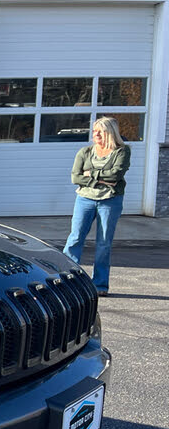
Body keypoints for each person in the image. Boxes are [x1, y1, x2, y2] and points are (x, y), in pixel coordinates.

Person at [63, 116, 131, 296]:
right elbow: (75, 177)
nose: (96, 135)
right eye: (94, 131)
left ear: (110, 132)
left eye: (100, 131)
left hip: (110, 201)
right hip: (84, 199)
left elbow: (116, 175)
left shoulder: (122, 152)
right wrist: (101, 179)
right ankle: (66, 280)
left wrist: (90, 174)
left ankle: (100, 285)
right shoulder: (85, 152)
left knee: (103, 243)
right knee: (75, 239)